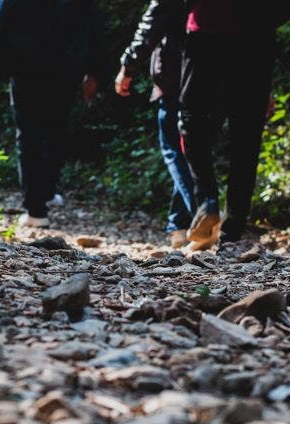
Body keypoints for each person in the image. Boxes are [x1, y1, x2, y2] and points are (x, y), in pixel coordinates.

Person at [178, 0, 290, 246]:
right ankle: (231, 235)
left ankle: (207, 201)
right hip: (256, 39)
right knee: (246, 137)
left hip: (207, 30)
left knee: (190, 124)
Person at [0, 0, 106, 228]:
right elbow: (93, 24)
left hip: (28, 66)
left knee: (30, 133)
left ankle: (36, 208)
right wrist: (94, 72)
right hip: (65, 66)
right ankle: (45, 194)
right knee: (55, 129)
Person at [115, 0, 200, 249]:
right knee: (190, 147)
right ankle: (178, 226)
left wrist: (128, 65)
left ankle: (203, 213)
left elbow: (151, 24)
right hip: (209, 75)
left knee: (174, 148)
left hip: (176, 75)